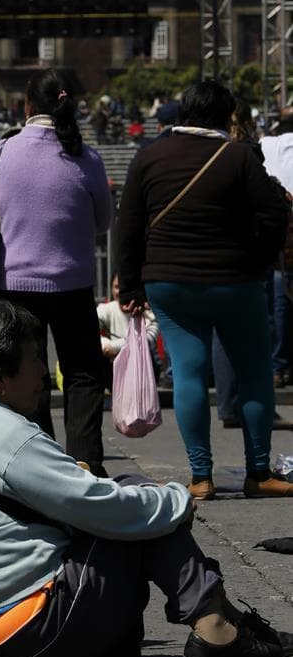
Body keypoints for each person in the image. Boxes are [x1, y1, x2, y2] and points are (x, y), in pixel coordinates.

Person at [0, 300, 293, 657]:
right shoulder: (3, 434)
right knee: (140, 502)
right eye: (34, 359)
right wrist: (175, 501)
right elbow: (99, 506)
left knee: (134, 495)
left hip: (10, 631)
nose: (43, 372)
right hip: (38, 624)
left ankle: (223, 619)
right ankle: (217, 629)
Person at [117, 80, 293, 500]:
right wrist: (260, 260)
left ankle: (200, 476)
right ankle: (257, 471)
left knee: (189, 372)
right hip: (235, 282)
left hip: (169, 283)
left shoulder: (149, 158)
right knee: (253, 373)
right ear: (225, 116)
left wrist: (130, 284)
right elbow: (275, 212)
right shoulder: (238, 157)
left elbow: (128, 227)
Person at [0, 70, 113, 474]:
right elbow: (104, 220)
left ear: (27, 106)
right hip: (73, 282)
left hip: (15, 283)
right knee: (84, 371)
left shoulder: (3, 152)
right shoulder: (86, 157)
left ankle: (42, 462)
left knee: (28, 374)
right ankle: (86, 459)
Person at [260, 105, 293, 388]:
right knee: (281, 299)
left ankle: (278, 365)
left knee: (276, 300)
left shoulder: (266, 144)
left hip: (274, 233)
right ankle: (281, 363)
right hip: (285, 234)